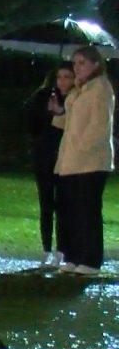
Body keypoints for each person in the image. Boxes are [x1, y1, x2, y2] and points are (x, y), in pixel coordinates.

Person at [53, 45, 114, 275]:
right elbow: (71, 122)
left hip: (90, 161)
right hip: (70, 161)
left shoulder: (100, 88)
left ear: (95, 65)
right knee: (70, 210)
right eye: (75, 63)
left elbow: (100, 125)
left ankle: (90, 259)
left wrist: (81, 146)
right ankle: (72, 255)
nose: (77, 67)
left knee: (87, 210)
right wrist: (59, 115)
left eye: (82, 63)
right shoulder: (78, 90)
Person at [25, 61, 73, 267]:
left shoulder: (75, 99)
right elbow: (30, 122)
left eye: (68, 77)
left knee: (64, 204)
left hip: (66, 157)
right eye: (60, 77)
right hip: (44, 156)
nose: (63, 82)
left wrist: (60, 113)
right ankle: (46, 247)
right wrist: (47, 113)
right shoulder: (43, 96)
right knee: (46, 202)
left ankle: (63, 249)